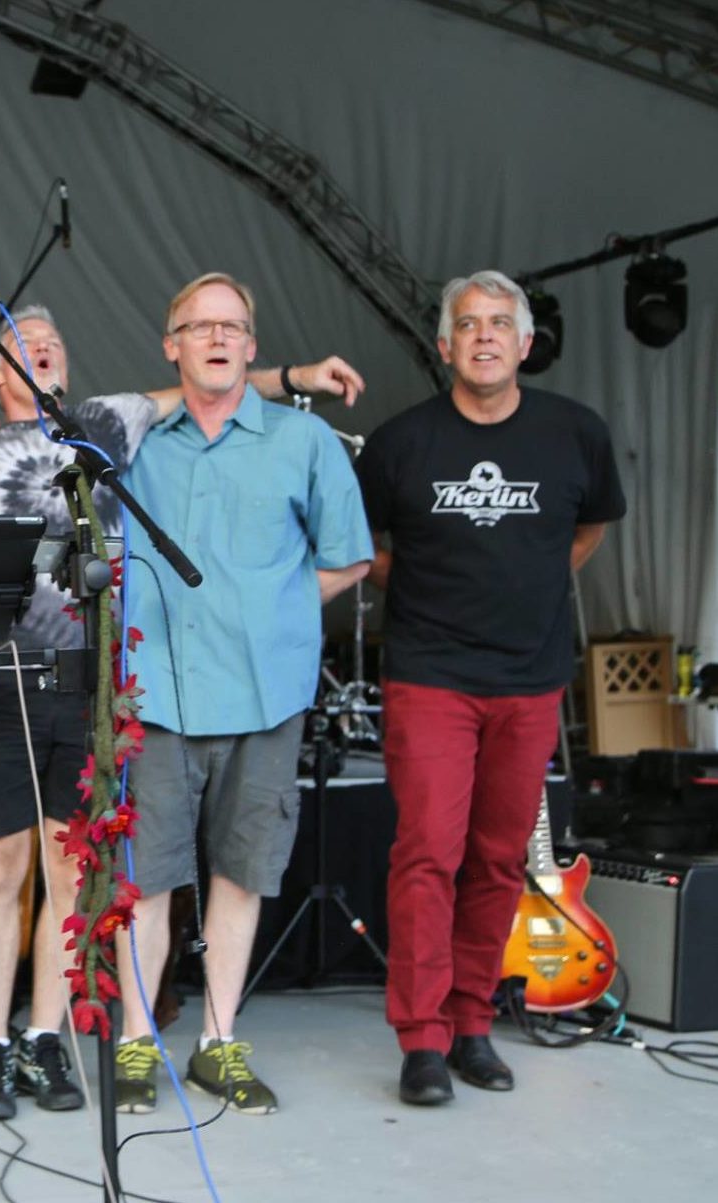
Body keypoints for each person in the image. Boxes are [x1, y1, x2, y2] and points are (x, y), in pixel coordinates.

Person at [0, 305, 365, 1119]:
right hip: (69, 687)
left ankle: (121, 1040)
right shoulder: (30, 438)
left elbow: (216, 384)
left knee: (137, 873)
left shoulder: (118, 425)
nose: (41, 353)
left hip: (162, 687)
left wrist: (299, 377)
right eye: (20, 347)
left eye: (54, 341)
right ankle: (58, 1046)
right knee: (65, 875)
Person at [356, 271, 625, 1107]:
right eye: (466, 325)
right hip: (430, 675)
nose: (482, 336)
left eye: (498, 324)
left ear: (524, 343)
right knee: (426, 852)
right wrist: (420, 581)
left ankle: (472, 1023)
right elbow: (355, 540)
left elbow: (591, 525)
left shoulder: (575, 433)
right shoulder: (401, 442)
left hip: (529, 678)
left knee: (498, 858)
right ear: (443, 347)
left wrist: (539, 579)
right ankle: (422, 1038)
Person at [108, 273, 372, 1117]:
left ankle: (218, 1044)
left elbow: (349, 555)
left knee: (243, 872)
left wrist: (282, 609)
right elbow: (63, 423)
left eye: (233, 327)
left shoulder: (306, 442)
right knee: (144, 879)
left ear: (253, 346)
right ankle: (136, 1045)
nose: (217, 339)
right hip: (154, 694)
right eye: (198, 326)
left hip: (265, 692)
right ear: (170, 343)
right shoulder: (135, 438)